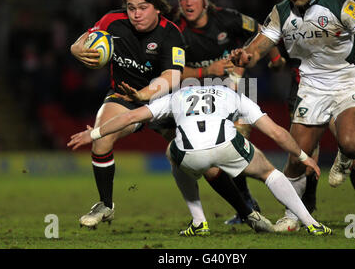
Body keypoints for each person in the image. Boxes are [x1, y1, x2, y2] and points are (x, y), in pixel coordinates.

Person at [230, 0, 355, 231]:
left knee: (350, 144)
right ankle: (291, 214)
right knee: (297, 156)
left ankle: (345, 159)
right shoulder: (281, 11)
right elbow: (259, 48)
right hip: (312, 87)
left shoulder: (340, 4)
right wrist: (246, 55)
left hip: (351, 82)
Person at [67, 84, 333, 236]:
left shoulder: (175, 97)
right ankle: (313, 225)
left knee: (173, 151)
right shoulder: (234, 95)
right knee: (268, 172)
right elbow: (276, 132)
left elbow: (129, 117)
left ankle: (198, 222)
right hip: (226, 145)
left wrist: (93, 133)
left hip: (189, 154)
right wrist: (303, 157)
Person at [267, 0, 355, 228]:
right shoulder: (294, 14)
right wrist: (271, 57)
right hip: (307, 88)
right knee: (301, 153)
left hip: (347, 87)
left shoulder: (346, 21)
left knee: (353, 146)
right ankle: (297, 211)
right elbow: (268, 36)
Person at [70, 0, 186, 228]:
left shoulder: (171, 33)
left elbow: (173, 76)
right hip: (124, 97)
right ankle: (106, 205)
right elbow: (83, 40)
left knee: (201, 161)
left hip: (163, 101)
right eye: (131, 8)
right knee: (101, 138)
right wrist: (76, 49)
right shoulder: (112, 21)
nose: (136, 14)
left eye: (143, 8)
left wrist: (145, 94)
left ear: (157, 7)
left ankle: (246, 207)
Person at [172, 0, 283, 226]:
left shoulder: (227, 19)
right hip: (198, 96)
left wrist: (276, 59)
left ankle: (250, 200)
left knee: (236, 142)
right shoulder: (175, 30)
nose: (188, 3)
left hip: (238, 87)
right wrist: (206, 71)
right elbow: (172, 74)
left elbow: (261, 30)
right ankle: (247, 202)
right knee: (224, 150)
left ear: (204, 1)